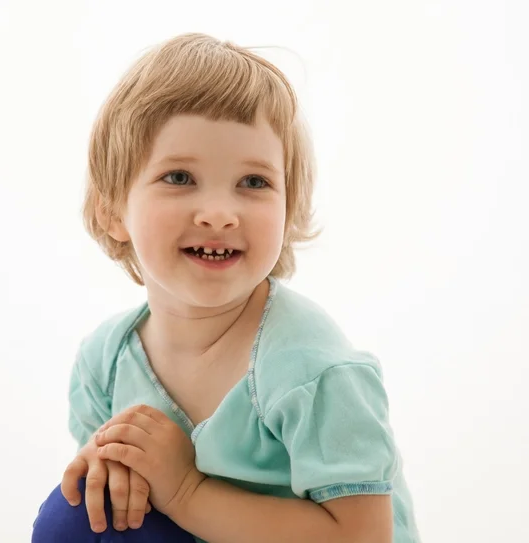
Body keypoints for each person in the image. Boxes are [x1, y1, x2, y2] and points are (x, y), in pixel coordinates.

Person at [31, 32, 421, 543]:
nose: (219, 213)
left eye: (254, 183)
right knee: (78, 512)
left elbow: (363, 536)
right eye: (179, 177)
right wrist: (114, 466)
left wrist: (187, 490)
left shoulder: (312, 370)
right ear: (112, 211)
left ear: (289, 207)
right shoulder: (106, 364)